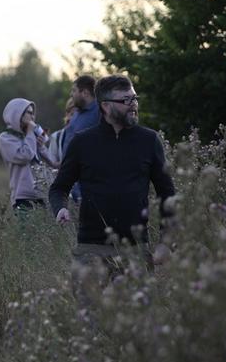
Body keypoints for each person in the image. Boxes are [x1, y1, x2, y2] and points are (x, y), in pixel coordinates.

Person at [49, 75, 175, 272]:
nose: (133, 105)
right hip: (91, 250)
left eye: (134, 98)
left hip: (136, 250)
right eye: (126, 100)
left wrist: (166, 243)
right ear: (106, 106)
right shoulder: (82, 142)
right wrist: (60, 209)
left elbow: (167, 194)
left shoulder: (149, 141)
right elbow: (58, 188)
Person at [0, 98, 59, 211]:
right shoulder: (6, 137)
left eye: (33, 113)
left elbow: (50, 161)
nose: (33, 117)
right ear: (18, 114)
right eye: (29, 113)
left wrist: (41, 146)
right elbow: (25, 156)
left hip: (41, 193)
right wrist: (31, 133)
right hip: (22, 196)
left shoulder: (29, 135)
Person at [62, 75, 100, 158]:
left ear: (85, 93)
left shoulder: (100, 112)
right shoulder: (77, 112)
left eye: (74, 90)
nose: (71, 94)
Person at [46, 97, 79, 165]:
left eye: (79, 114)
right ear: (67, 114)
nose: (76, 118)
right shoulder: (57, 137)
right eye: (73, 114)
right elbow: (51, 162)